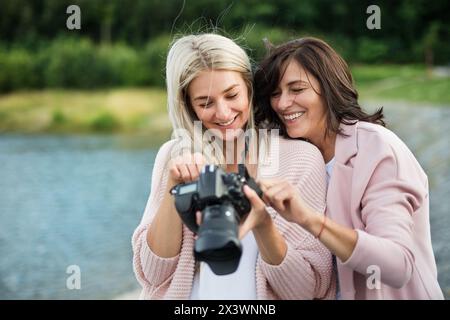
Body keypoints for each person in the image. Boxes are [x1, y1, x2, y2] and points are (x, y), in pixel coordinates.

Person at [131, 34, 336, 299]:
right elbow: (153, 274)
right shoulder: (174, 155)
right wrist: (174, 188)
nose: (224, 113)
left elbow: (305, 288)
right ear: (189, 106)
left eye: (232, 95)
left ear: (249, 88)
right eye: (205, 103)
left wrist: (264, 226)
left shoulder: (300, 158)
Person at [253, 37, 444, 299]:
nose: (283, 103)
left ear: (328, 87)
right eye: (275, 93)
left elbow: (397, 265)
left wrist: (310, 220)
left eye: (296, 89)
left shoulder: (377, 148)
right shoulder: (291, 155)